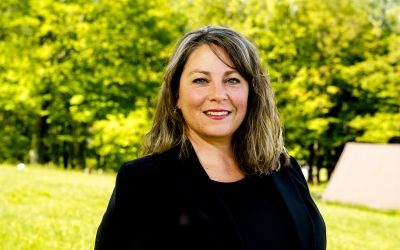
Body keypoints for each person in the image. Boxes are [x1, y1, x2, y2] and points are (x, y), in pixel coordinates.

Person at [95, 25, 326, 250]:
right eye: (201, 80)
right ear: (176, 94)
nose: (218, 94)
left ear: (252, 92)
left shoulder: (285, 171)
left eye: (232, 80)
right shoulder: (142, 182)